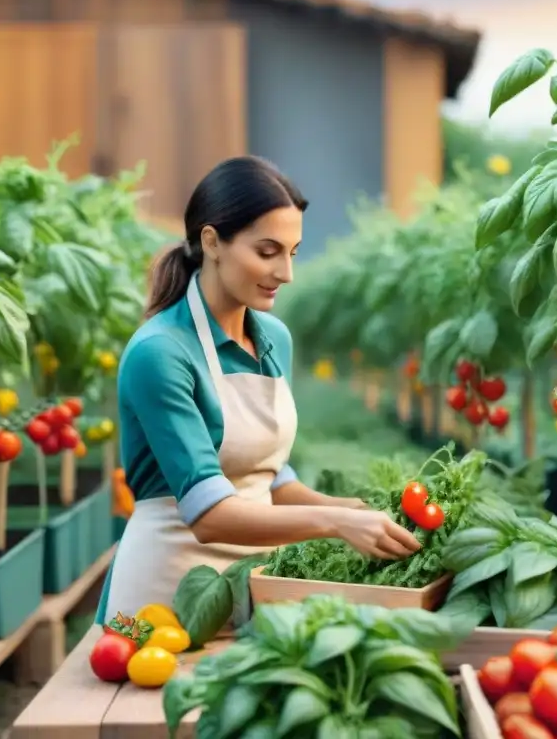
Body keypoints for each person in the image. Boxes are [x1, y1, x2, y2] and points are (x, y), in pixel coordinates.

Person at [96, 156, 421, 623]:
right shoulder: (161, 352)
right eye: (267, 252)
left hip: (253, 582)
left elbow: (266, 477)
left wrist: (355, 508)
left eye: (293, 252)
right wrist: (335, 523)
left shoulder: (273, 338)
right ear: (212, 242)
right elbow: (207, 516)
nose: (286, 273)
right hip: (163, 593)